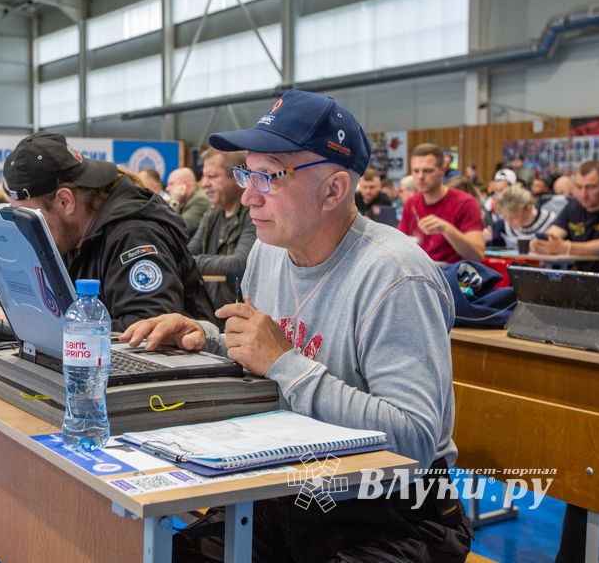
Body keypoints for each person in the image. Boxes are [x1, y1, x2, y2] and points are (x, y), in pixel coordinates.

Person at [120, 90, 472, 562]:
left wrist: (285, 363)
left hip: (390, 510)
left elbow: (413, 440)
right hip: (292, 483)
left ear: (333, 190)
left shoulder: (395, 277)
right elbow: (268, 352)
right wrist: (209, 338)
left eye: (268, 176)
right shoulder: (269, 252)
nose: (248, 195)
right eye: (247, 173)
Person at [0, 131, 215, 335]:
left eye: (29, 215)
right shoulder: (72, 230)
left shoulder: (135, 234)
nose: (25, 229)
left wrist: (32, 325)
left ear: (66, 201)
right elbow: (47, 296)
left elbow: (149, 328)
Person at [188, 148, 256, 311]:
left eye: (212, 176)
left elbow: (240, 264)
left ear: (238, 177)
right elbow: (185, 257)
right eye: (203, 176)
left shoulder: (254, 215)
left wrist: (195, 261)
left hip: (239, 316)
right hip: (210, 314)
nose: (204, 183)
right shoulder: (211, 214)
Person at [398, 143, 484, 262]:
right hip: (420, 274)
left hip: (452, 276)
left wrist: (447, 229)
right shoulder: (411, 203)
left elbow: (477, 255)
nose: (420, 176)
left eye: (428, 171)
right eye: (416, 171)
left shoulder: (465, 203)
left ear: (442, 170)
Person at [532, 159, 599, 272]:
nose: (583, 194)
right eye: (579, 187)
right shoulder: (574, 206)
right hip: (581, 277)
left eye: (591, 187)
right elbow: (552, 234)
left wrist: (567, 247)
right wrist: (541, 244)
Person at [488, 184, 556, 250]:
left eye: (514, 217)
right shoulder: (501, 227)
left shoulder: (552, 223)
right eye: (505, 216)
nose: (508, 221)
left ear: (528, 208)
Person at [166, 167, 211, 235]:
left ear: (184, 185)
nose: (167, 188)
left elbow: (178, 229)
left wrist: (174, 202)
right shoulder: (184, 200)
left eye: (171, 184)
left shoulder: (200, 200)